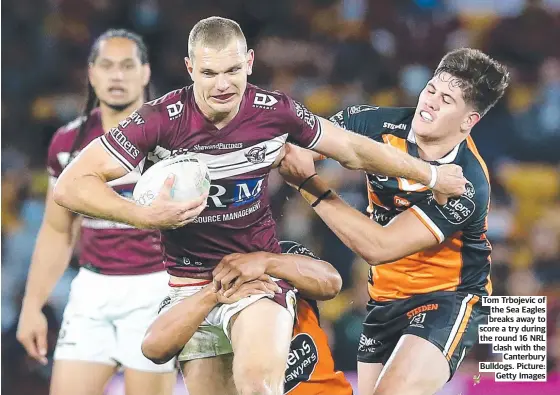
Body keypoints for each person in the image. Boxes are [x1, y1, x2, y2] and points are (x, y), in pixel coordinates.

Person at [52, 17, 467, 395]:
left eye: (232, 70)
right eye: (209, 72)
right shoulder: (158, 120)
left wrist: (429, 174)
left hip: (256, 277)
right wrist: (144, 215)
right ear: (190, 67)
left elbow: (352, 149)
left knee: (256, 387)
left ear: (249, 62)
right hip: (189, 289)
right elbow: (70, 186)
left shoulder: (273, 111)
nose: (222, 85)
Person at [278, 48, 509, 395]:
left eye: (446, 99)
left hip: (446, 297)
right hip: (383, 299)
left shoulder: (469, 184)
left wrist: (309, 186)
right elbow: (296, 149)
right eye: (430, 89)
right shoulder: (371, 123)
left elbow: (378, 246)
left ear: (468, 121)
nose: (429, 102)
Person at [16, 30, 177, 395]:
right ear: (91, 74)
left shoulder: (171, 138)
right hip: (92, 290)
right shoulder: (66, 143)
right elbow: (58, 231)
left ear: (145, 72)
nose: (116, 76)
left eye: (126, 66)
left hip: (154, 289)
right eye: (106, 66)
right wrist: (32, 306)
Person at [141, 240, 354, 395]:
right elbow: (154, 348)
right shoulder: (188, 294)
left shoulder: (281, 254)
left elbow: (331, 283)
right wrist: (213, 294)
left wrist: (267, 262)